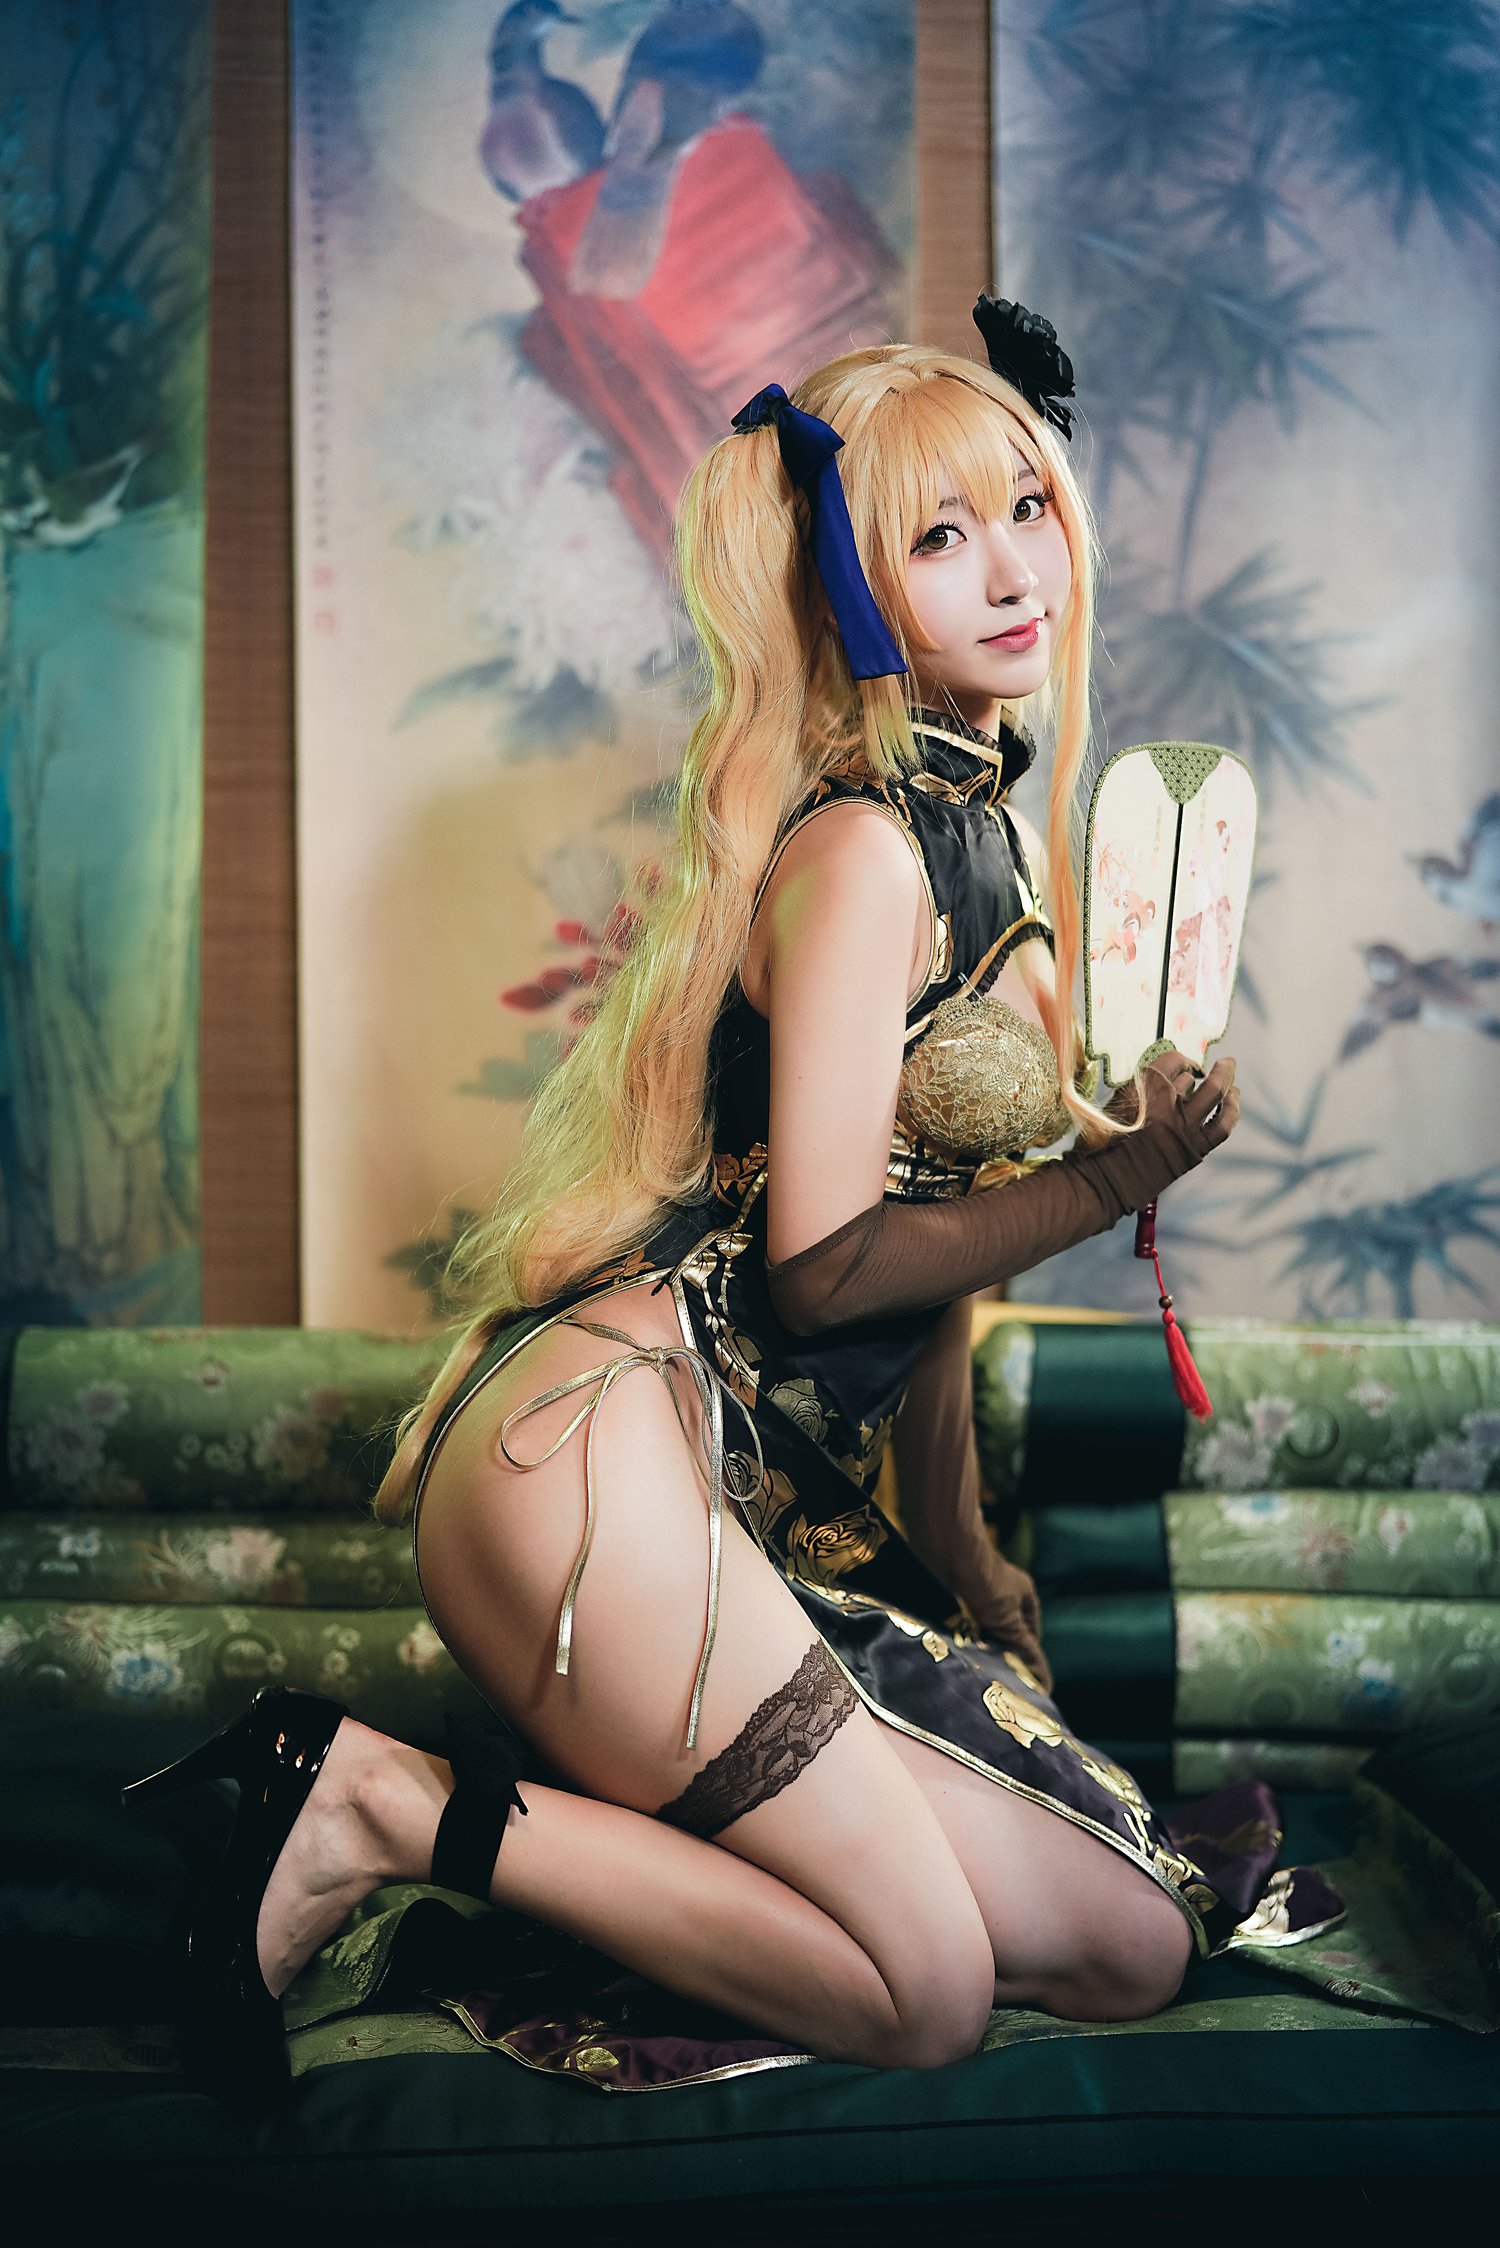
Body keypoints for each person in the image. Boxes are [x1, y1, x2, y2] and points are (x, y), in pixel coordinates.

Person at [125, 303, 1283, 2106]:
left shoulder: (987, 840)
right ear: (848, 590)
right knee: (926, 1998)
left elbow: (928, 1283)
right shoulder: (863, 852)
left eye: (1028, 509)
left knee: (1129, 1945)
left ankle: (564, 1837)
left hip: (741, 1508)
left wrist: (966, 1548)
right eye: (939, 535)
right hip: (602, 1461)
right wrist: (1110, 1180)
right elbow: (825, 1272)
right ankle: (374, 1803)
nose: (1013, 569)